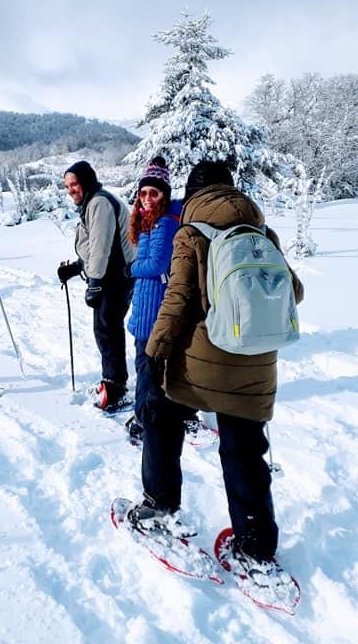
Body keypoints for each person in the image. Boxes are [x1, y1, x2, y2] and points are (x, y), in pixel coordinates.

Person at [131, 159, 305, 573]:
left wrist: (154, 353)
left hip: (200, 361)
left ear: (192, 195)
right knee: (245, 450)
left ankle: (161, 506)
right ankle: (255, 545)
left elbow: (177, 301)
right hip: (255, 361)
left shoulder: (191, 233)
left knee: (160, 418)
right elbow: (294, 291)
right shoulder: (263, 231)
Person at [57, 160, 136, 411]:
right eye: (67, 186)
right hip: (109, 275)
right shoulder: (92, 203)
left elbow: (102, 247)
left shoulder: (100, 203)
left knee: (108, 330)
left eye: (75, 184)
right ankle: (112, 381)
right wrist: (78, 266)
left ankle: (115, 388)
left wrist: (96, 283)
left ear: (87, 181)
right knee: (105, 329)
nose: (71, 190)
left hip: (115, 277)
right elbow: (94, 248)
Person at [123, 156, 185, 443]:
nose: (147, 198)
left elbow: (156, 264)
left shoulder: (164, 224)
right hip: (147, 305)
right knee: (147, 367)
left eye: (154, 193)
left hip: (154, 309)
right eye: (143, 193)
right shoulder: (151, 221)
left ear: (164, 195)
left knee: (147, 369)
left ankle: (145, 421)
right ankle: (145, 415)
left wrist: (130, 269)